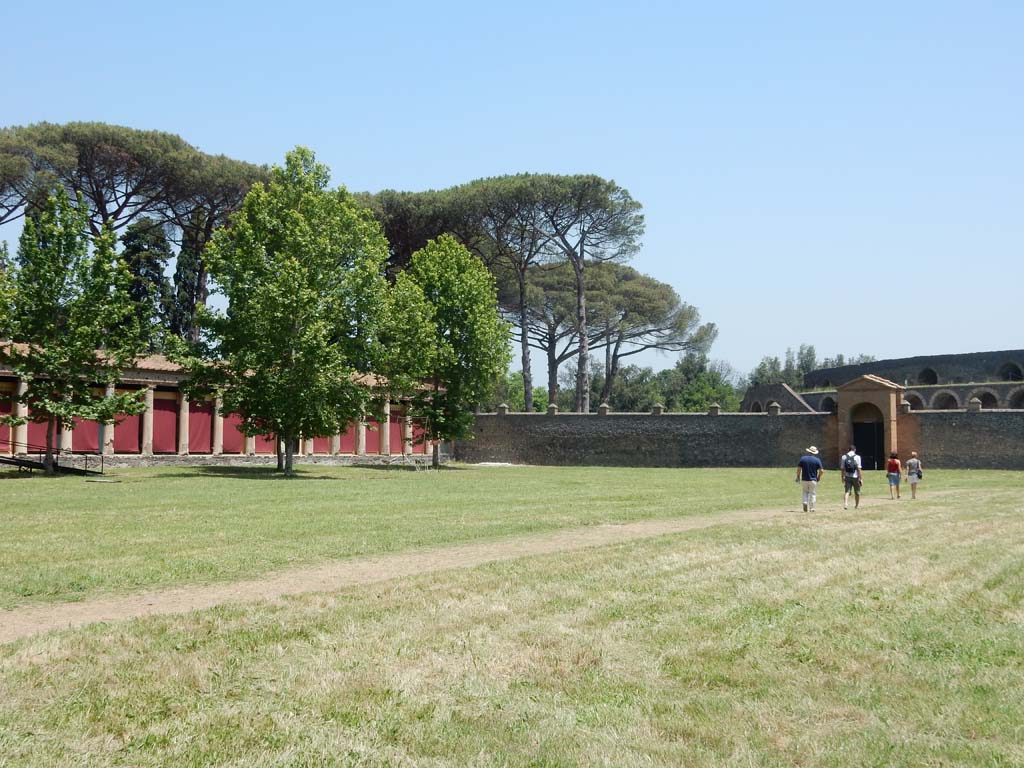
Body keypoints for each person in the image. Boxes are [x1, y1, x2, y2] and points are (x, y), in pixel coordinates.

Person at [795, 445, 824, 512]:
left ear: (808, 451)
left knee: (805, 492)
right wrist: (819, 477)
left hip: (804, 479)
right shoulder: (817, 460)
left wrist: (798, 477)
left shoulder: (803, 459)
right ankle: (812, 508)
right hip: (813, 479)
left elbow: (799, 469)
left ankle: (805, 502)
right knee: (812, 493)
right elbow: (821, 471)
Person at [840, 445, 862, 510]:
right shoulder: (857, 457)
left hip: (847, 476)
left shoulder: (844, 457)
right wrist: (860, 478)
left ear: (848, 450)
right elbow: (859, 469)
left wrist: (842, 477)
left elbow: (842, 468)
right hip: (855, 477)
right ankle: (856, 505)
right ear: (854, 450)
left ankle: (846, 504)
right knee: (857, 492)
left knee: (847, 491)